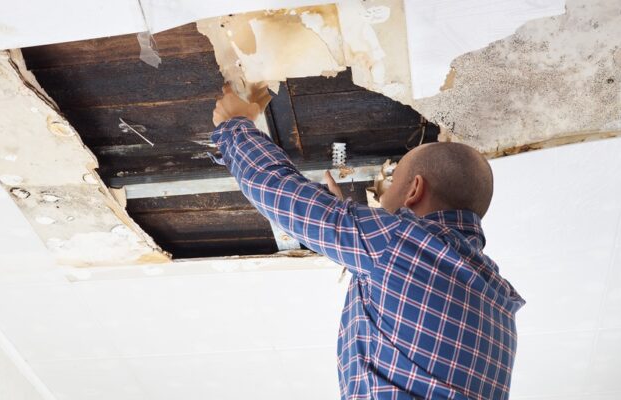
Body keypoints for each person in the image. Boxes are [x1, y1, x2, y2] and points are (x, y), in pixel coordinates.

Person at [212, 83, 525, 400]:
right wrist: (346, 228)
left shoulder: (401, 248)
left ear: (414, 190)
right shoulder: (499, 307)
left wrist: (235, 123)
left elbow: (273, 189)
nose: (385, 195)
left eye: (393, 183)